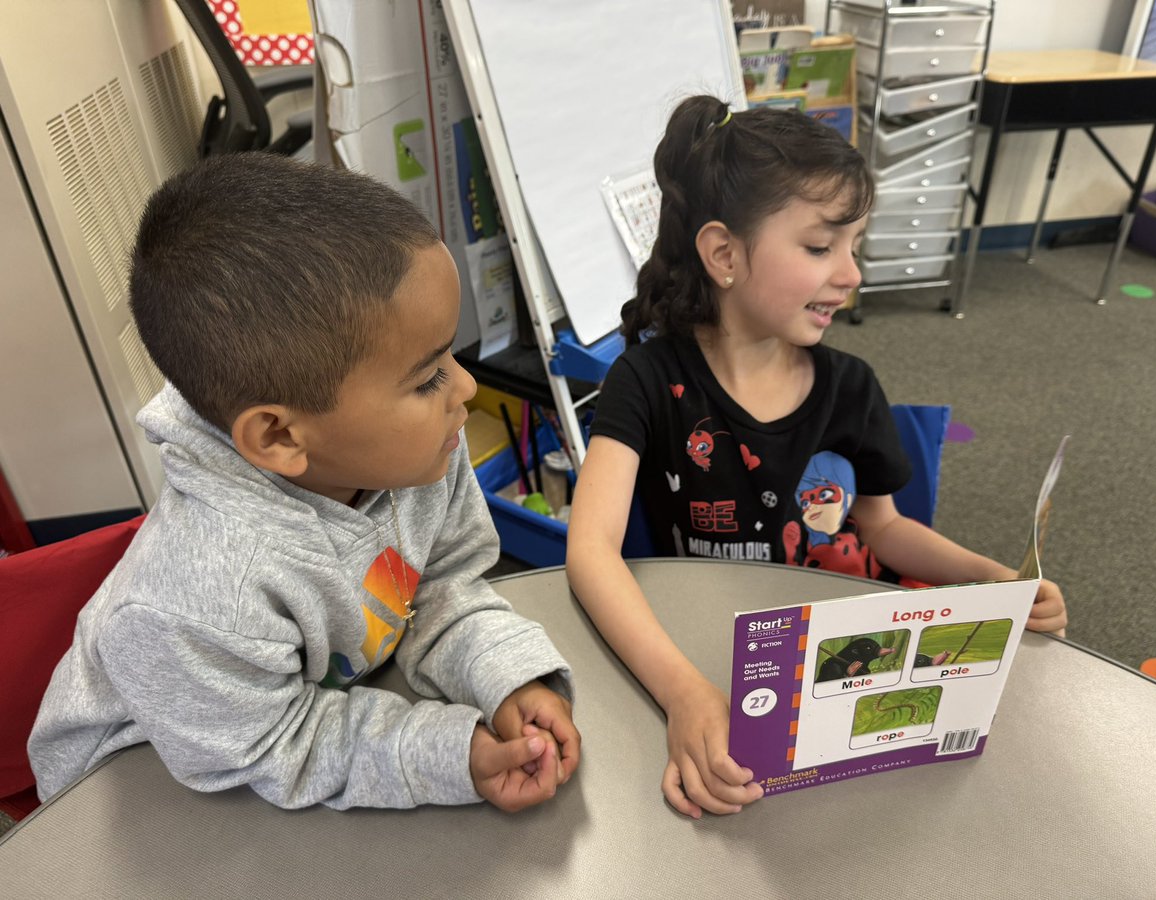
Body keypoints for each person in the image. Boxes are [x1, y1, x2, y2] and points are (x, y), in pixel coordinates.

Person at [28, 153, 580, 813]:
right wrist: (445, 751)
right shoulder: (203, 594)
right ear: (281, 436)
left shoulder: (418, 450)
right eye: (427, 375)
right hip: (145, 795)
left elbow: (437, 585)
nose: (464, 388)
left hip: (286, 724)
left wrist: (508, 678)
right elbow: (273, 744)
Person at [565, 95, 1066, 820]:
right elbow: (590, 551)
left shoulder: (849, 386)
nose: (852, 273)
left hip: (832, 669)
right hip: (700, 656)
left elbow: (885, 530)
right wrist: (683, 692)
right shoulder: (645, 381)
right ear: (725, 255)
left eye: (854, 246)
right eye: (820, 247)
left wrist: (995, 580)